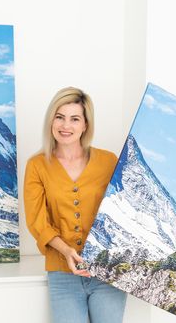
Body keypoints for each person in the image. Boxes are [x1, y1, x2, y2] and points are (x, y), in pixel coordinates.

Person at [24, 87, 127, 323]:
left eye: (74, 119)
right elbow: (37, 221)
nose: (65, 125)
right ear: (51, 120)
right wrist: (66, 251)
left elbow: (137, 208)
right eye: (59, 117)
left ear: (85, 125)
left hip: (107, 272)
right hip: (63, 274)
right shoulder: (37, 165)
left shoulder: (108, 161)